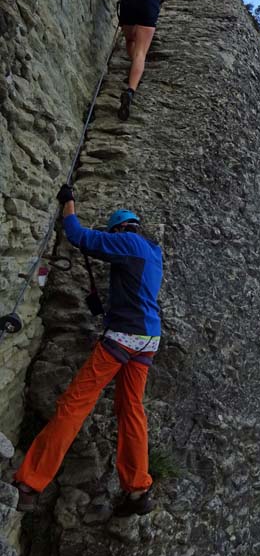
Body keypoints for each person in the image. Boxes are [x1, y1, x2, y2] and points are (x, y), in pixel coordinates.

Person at [14, 184, 163, 517]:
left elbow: (78, 235)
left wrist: (68, 203)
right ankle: (138, 489)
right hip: (148, 340)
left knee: (75, 405)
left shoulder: (126, 243)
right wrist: (104, 310)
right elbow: (135, 292)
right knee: (131, 409)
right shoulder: (153, 252)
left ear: (120, 230)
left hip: (123, 338)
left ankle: (31, 483)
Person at [115, 0, 165, 121]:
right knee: (141, 52)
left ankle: (132, 69)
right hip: (150, 3)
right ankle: (130, 90)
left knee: (130, 40)